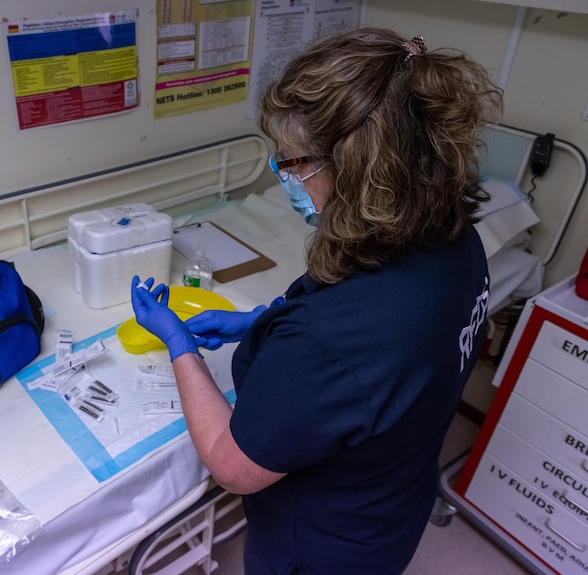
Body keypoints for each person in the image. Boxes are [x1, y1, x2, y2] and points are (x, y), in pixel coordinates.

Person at [131, 27, 501, 574]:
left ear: (359, 167)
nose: (285, 176)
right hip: (393, 507)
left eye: (294, 161)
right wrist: (263, 322)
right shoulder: (455, 239)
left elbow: (233, 468)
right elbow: (391, 362)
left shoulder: (332, 339)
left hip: (319, 547)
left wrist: (181, 346)